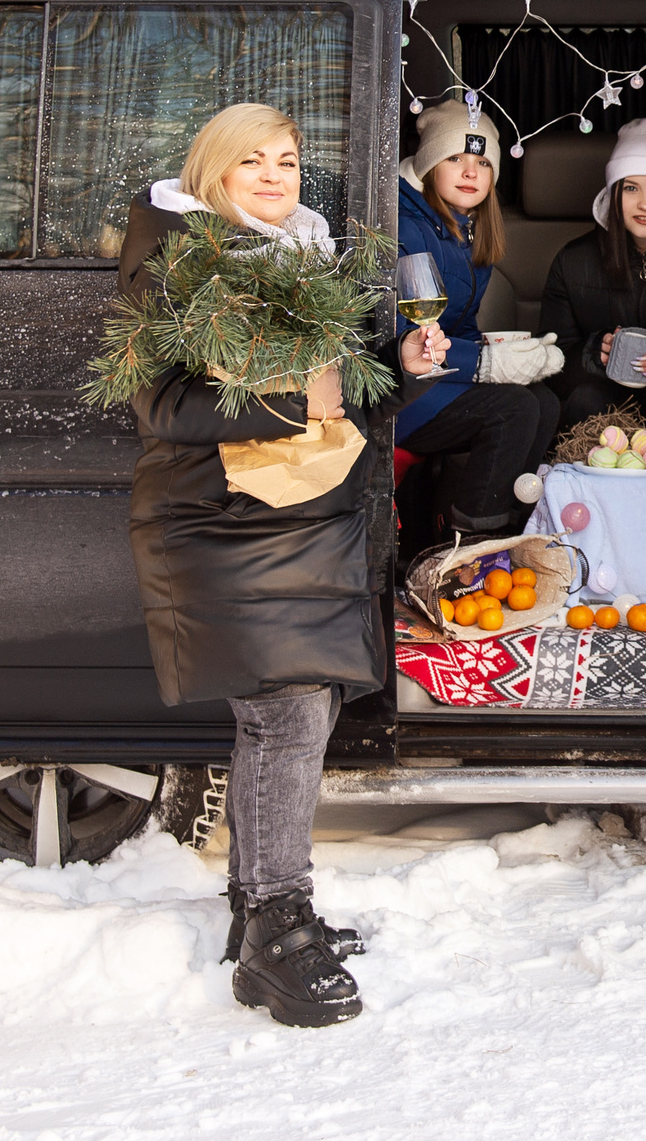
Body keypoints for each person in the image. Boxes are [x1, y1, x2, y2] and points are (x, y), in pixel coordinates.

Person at [119, 102, 449, 1028]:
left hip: (304, 517)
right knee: (286, 715)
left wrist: (402, 362)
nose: (275, 176)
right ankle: (274, 928)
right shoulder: (182, 262)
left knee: (298, 712)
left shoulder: (305, 253)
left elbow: (345, 391)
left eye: (289, 160)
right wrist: (284, 402)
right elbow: (165, 409)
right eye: (252, 161)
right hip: (219, 520)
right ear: (213, 173)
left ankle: (258, 910)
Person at [395, 99, 561, 539]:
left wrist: (501, 352)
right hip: (399, 387)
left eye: (483, 162)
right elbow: (400, 335)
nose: (471, 173)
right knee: (514, 408)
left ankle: (512, 528)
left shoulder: (466, 229)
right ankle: (470, 546)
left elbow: (458, 330)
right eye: (455, 159)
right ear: (429, 165)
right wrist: (485, 365)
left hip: (438, 375)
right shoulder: (400, 224)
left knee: (543, 401)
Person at [540, 114, 646, 440]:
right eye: (631, 188)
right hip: (606, 427)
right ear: (613, 194)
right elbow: (550, 366)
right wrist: (593, 354)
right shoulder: (573, 262)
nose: (645, 204)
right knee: (585, 399)